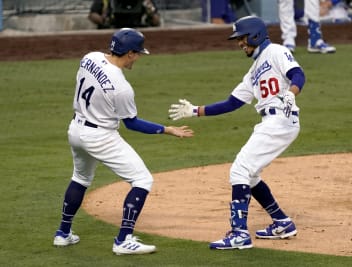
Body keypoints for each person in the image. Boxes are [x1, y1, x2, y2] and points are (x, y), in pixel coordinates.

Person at [168, 15, 305, 250]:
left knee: (239, 170)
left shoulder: (276, 52)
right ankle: (282, 222)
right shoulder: (253, 71)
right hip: (272, 122)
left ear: (254, 34)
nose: (239, 43)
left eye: (242, 38)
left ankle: (239, 233)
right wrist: (195, 111)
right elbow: (231, 103)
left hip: (280, 119)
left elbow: (298, 74)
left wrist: (291, 93)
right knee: (250, 175)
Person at [53, 28, 194, 255]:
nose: (138, 58)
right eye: (137, 53)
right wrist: (167, 130)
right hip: (100, 137)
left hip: (76, 130)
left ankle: (63, 233)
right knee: (142, 179)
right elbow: (132, 124)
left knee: (80, 178)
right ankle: (123, 239)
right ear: (129, 53)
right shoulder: (121, 88)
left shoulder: (90, 57)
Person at [88, 0, 161, 29]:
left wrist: (151, 11)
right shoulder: (106, 1)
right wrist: (103, 20)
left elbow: (156, 21)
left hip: (137, 29)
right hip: (113, 29)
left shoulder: (145, 1)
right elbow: (92, 15)